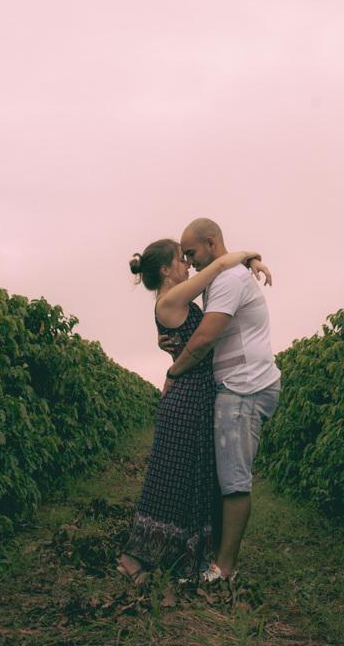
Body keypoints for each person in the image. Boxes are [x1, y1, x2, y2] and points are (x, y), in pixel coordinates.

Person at [118, 239, 269, 585]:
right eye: (180, 260)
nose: (187, 265)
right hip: (186, 398)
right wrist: (251, 255)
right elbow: (218, 266)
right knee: (168, 481)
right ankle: (132, 558)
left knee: (185, 480)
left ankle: (176, 553)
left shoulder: (173, 301)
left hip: (195, 395)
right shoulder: (172, 299)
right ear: (165, 271)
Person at [161, 218, 280, 586]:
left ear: (211, 244)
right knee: (224, 477)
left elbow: (203, 339)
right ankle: (214, 559)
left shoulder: (227, 281)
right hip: (238, 385)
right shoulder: (223, 276)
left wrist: (173, 372)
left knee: (234, 481)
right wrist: (251, 257)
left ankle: (224, 570)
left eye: (191, 253)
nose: (189, 261)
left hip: (244, 387)